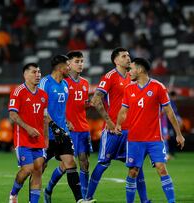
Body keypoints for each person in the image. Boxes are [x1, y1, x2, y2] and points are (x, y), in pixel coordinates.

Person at [115, 58, 185, 203]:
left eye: (131, 68)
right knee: (133, 172)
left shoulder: (158, 87)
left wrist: (179, 134)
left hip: (154, 139)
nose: (129, 72)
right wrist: (117, 124)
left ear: (139, 70)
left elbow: (169, 112)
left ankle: (172, 202)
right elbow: (123, 111)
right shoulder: (129, 89)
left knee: (161, 168)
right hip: (134, 139)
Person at [84, 48, 149, 203]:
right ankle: (87, 198)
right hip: (113, 131)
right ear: (116, 60)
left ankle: (145, 200)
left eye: (128, 55)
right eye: (124, 56)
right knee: (103, 163)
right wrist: (109, 122)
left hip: (131, 131)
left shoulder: (132, 77)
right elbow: (95, 100)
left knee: (136, 167)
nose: (128, 58)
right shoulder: (109, 77)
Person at [39, 55, 82, 203]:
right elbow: (41, 108)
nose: (69, 68)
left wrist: (65, 121)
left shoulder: (65, 85)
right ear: (60, 67)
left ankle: (80, 200)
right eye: (67, 65)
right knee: (40, 168)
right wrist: (52, 125)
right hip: (46, 134)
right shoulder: (45, 82)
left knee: (70, 163)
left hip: (62, 132)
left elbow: (60, 109)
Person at [8, 63, 48, 203]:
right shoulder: (18, 91)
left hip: (39, 140)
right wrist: (28, 128)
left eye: (39, 72)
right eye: (33, 72)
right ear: (25, 75)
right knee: (27, 169)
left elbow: (44, 119)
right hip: (23, 139)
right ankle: (13, 193)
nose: (37, 75)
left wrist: (46, 139)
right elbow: (13, 115)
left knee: (38, 171)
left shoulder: (43, 95)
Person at [65, 51, 92, 198]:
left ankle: (84, 195)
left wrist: (89, 104)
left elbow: (81, 104)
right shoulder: (63, 82)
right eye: (77, 61)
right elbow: (58, 106)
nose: (80, 64)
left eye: (82, 61)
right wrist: (65, 121)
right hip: (69, 129)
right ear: (68, 63)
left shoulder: (85, 83)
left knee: (85, 162)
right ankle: (49, 188)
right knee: (67, 164)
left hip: (83, 128)